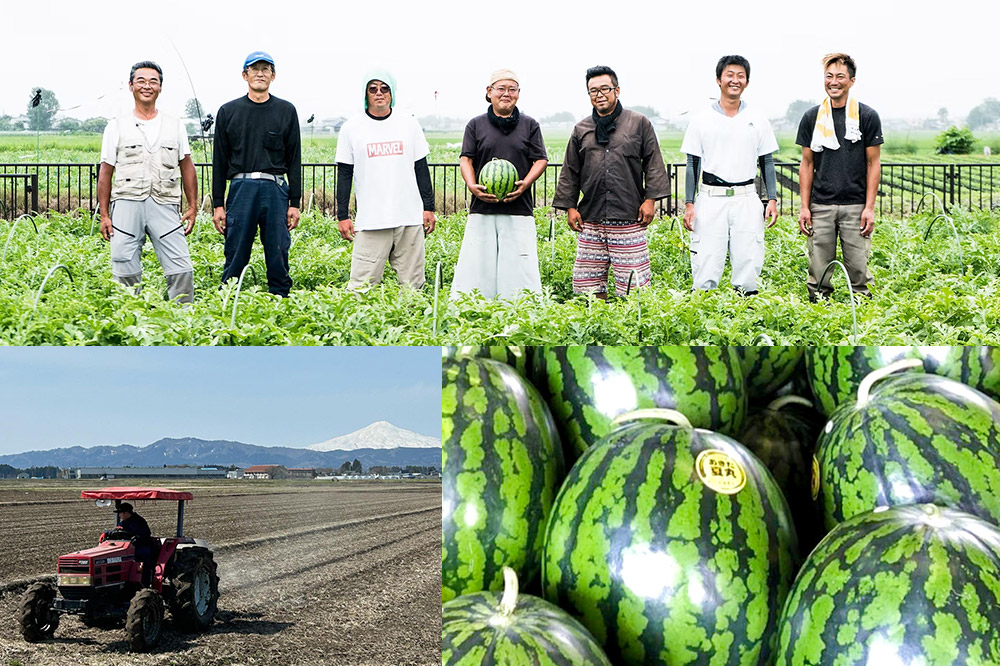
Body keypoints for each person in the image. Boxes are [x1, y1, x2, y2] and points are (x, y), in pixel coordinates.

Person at [553, 66, 669, 299]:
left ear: (617, 90)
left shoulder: (638, 123)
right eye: (593, 90)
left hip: (629, 214)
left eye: (604, 88)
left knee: (633, 284)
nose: (599, 94)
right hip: (592, 217)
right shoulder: (581, 129)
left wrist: (650, 200)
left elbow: (653, 162)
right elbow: (571, 170)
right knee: (588, 285)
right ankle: (596, 325)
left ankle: (630, 330)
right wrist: (570, 207)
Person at [98, 61, 196, 304]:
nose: (147, 86)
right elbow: (106, 172)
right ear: (130, 86)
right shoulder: (116, 126)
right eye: (141, 81)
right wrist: (104, 215)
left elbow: (187, 166)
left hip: (165, 203)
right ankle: (130, 317)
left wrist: (193, 206)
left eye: (153, 81)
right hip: (126, 203)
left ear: (160, 88)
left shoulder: (175, 125)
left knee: (181, 266)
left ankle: (183, 320)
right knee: (123, 263)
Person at [681, 55, 779, 296]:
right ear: (718, 80)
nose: (735, 80)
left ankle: (746, 311)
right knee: (706, 259)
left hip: (746, 196)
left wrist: (773, 199)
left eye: (740, 76)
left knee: (748, 258)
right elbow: (693, 163)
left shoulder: (758, 119)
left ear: (746, 82)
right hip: (710, 197)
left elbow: (766, 161)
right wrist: (689, 203)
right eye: (729, 75)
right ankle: (703, 311)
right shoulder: (701, 120)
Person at [451, 69, 548, 299]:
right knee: (477, 266)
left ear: (518, 93)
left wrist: (525, 184)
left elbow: (541, 159)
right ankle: (474, 311)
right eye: (501, 88)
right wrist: (472, 186)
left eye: (512, 89)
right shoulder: (475, 125)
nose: (506, 94)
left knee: (519, 268)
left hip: (519, 208)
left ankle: (521, 313)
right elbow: (466, 159)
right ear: (489, 91)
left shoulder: (530, 125)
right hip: (482, 207)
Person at [336, 70, 436, 291]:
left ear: (392, 93)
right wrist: (342, 215)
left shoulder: (409, 123)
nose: (379, 93)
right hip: (371, 220)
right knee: (361, 288)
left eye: (384, 88)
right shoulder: (351, 128)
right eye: (373, 89)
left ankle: (411, 325)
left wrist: (428, 207)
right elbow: (344, 174)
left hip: (408, 218)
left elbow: (421, 168)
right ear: (366, 94)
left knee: (413, 287)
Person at [212, 51, 301, 297]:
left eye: (265, 69)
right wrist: (218, 204)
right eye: (254, 69)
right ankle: (229, 298)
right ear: (245, 75)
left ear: (273, 76)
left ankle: (280, 299)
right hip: (241, 190)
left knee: (278, 250)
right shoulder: (228, 111)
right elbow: (219, 160)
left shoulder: (286, 110)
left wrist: (294, 203)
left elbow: (295, 159)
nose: (260, 73)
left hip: (275, 190)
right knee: (236, 249)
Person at [796, 53, 883, 301]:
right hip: (820, 205)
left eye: (840, 76)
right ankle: (819, 315)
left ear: (851, 81)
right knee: (819, 273)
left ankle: (862, 317)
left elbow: (873, 163)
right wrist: (804, 207)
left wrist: (869, 208)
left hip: (855, 205)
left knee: (859, 271)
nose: (834, 81)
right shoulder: (812, 117)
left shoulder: (867, 117)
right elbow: (807, 163)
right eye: (829, 76)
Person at [103, 503, 157, 587]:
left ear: (126, 513)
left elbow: (144, 535)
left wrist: (136, 538)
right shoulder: (124, 523)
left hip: (141, 547)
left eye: (120, 513)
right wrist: (107, 533)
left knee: (142, 558)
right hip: (128, 547)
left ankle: (145, 582)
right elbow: (117, 530)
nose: (119, 515)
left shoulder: (139, 522)